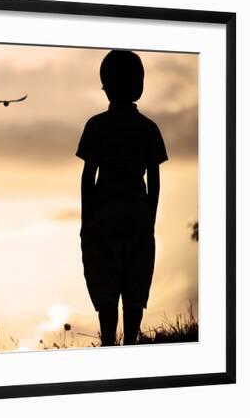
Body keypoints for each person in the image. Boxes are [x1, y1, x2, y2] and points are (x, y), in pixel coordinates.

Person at [76, 50, 168, 346]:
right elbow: (153, 179)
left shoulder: (96, 126)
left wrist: (86, 217)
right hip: (138, 214)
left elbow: (88, 176)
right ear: (138, 84)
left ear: (105, 85)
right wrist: (150, 216)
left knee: (105, 282)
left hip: (103, 215)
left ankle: (108, 343)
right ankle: (131, 341)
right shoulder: (149, 128)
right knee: (135, 282)